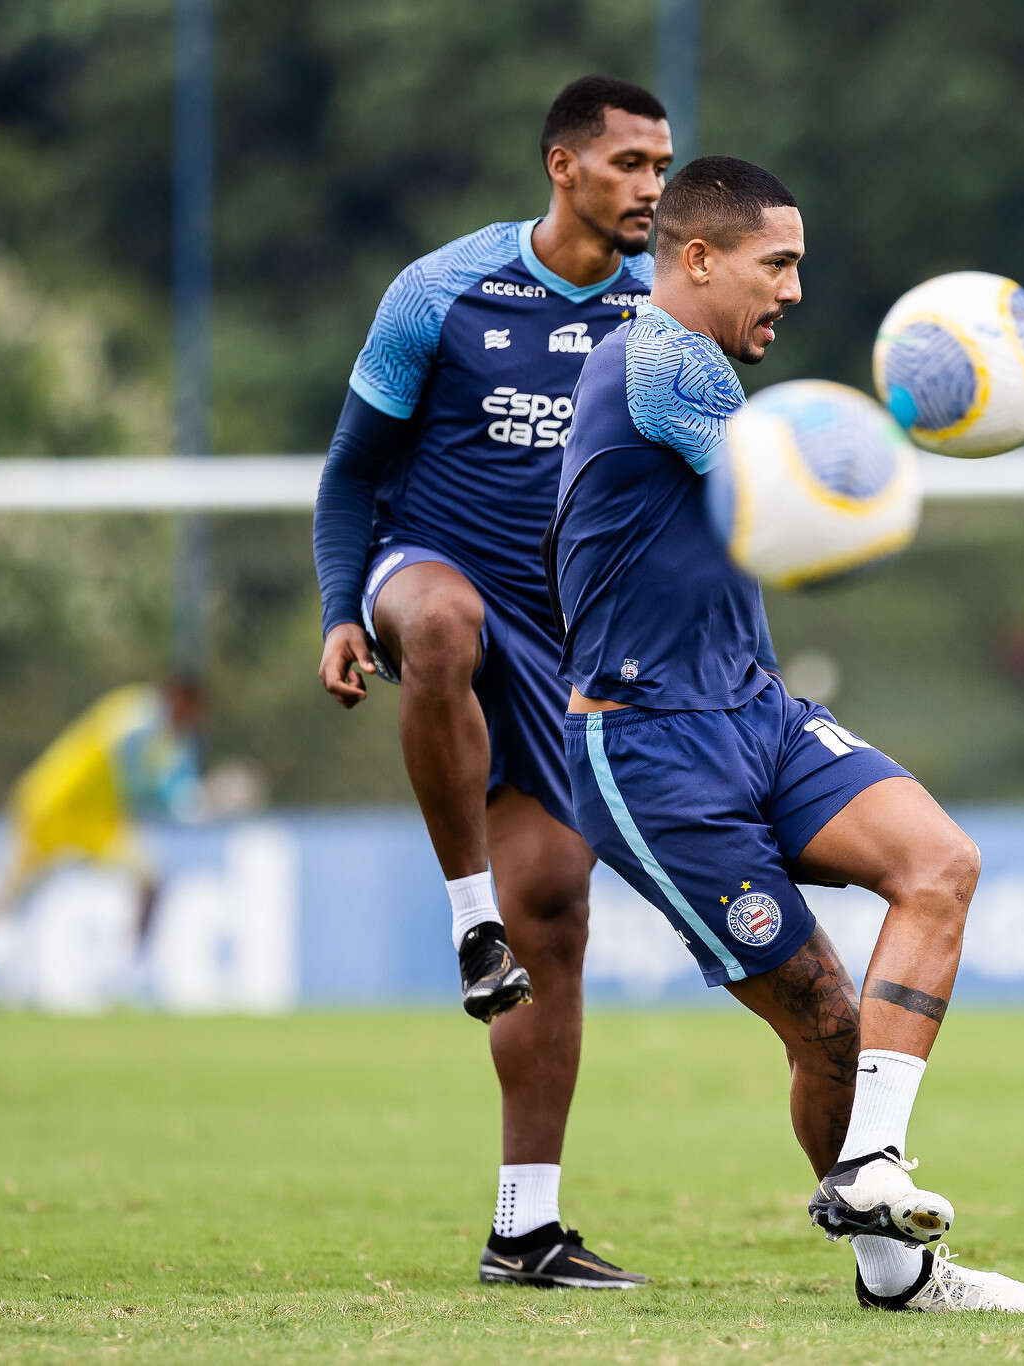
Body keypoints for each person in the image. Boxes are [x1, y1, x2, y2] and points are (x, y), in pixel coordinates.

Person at [549, 154, 1024, 1313]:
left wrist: (887, 431)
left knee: (941, 863)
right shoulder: (657, 356)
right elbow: (790, 493)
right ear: (699, 259)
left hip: (757, 712)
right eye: (777, 264)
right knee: (825, 1021)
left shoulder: (695, 362)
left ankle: (873, 1179)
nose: (792, 289)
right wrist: (918, 406)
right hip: (649, 748)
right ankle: (895, 1268)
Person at [310, 75, 668, 1290]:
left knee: (558, 915)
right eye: (629, 165)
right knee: (443, 624)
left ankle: (524, 1230)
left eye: (662, 167)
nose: (652, 188)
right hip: (431, 569)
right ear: (562, 166)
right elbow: (350, 475)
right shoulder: (442, 290)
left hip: (569, 637)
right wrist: (335, 609)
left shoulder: (660, 314)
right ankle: (467, 918)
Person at [0, 674, 220, 992]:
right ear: (180, 700)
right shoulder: (136, 716)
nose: (194, 724)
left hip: (96, 820)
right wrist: (187, 803)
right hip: (51, 809)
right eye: (194, 714)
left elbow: (167, 791)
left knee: (150, 877)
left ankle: (131, 973)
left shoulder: (166, 740)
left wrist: (190, 802)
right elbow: (136, 780)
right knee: (5, 898)